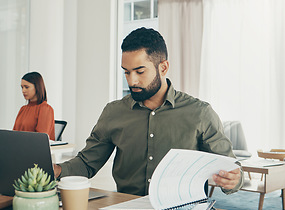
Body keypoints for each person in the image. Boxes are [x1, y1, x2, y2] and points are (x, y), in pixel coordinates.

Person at [54, 27, 242, 196]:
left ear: (163, 67)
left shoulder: (200, 113)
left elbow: (231, 169)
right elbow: (87, 163)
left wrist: (233, 179)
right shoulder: (113, 112)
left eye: (139, 71)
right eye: (126, 72)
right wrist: (55, 170)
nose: (131, 81)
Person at [13, 72, 56, 140]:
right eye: (22, 87)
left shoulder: (45, 109)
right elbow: (14, 134)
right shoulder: (23, 109)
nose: (23, 91)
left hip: (34, 149)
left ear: (37, 87)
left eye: (27, 87)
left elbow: (40, 139)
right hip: (20, 148)